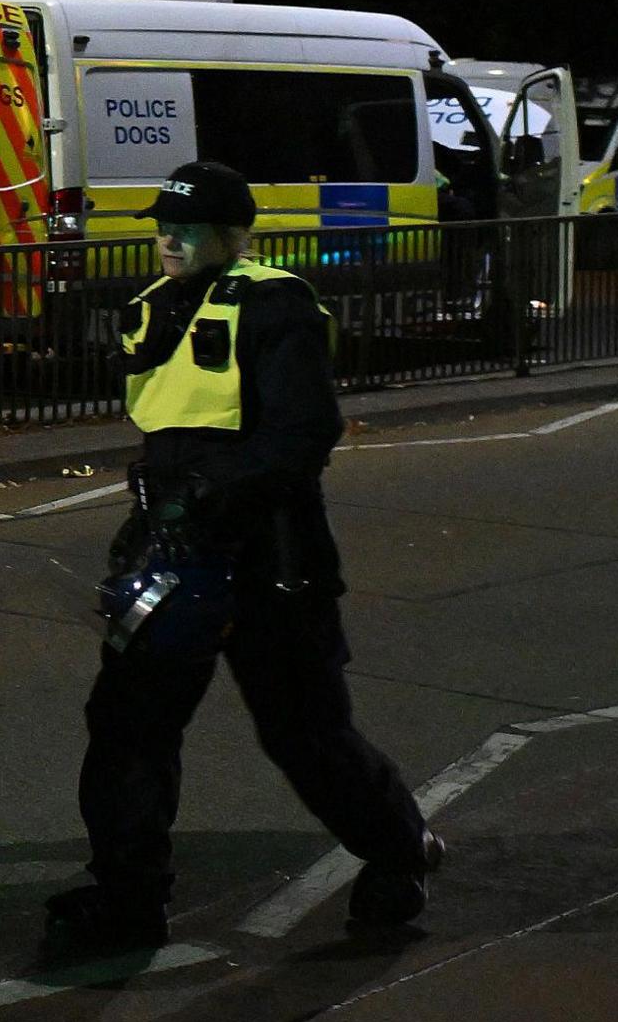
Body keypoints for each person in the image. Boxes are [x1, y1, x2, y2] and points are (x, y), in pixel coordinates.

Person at [44, 160, 441, 955]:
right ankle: (129, 898)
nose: (168, 238)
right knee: (127, 728)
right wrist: (154, 518)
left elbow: (302, 432)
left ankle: (399, 849)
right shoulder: (152, 307)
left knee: (305, 732)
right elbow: (169, 435)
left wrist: (215, 497)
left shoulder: (272, 302)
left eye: (187, 226)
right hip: (174, 556)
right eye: (163, 223)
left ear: (232, 233)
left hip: (271, 561)